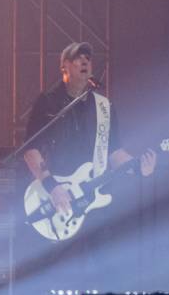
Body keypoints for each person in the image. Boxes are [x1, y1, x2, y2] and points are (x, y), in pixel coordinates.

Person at [22, 41, 155, 222]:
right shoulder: (48, 102)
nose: (84, 61)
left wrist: (138, 167)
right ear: (64, 66)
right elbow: (31, 150)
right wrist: (52, 186)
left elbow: (114, 152)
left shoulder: (104, 107)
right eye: (77, 58)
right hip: (55, 198)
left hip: (92, 201)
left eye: (88, 58)